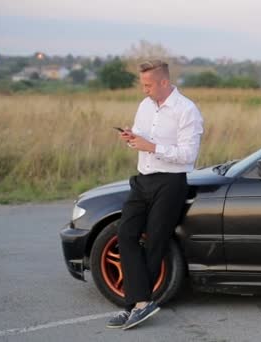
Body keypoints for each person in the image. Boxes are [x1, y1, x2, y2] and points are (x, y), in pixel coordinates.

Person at [106, 60, 204, 330]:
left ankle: (136, 305)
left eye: (148, 85)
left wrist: (150, 146)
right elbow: (144, 140)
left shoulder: (187, 110)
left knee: (156, 241)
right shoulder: (145, 106)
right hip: (142, 180)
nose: (144, 90)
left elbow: (188, 156)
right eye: (142, 84)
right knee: (126, 234)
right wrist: (133, 138)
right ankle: (140, 302)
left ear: (163, 82)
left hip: (170, 183)